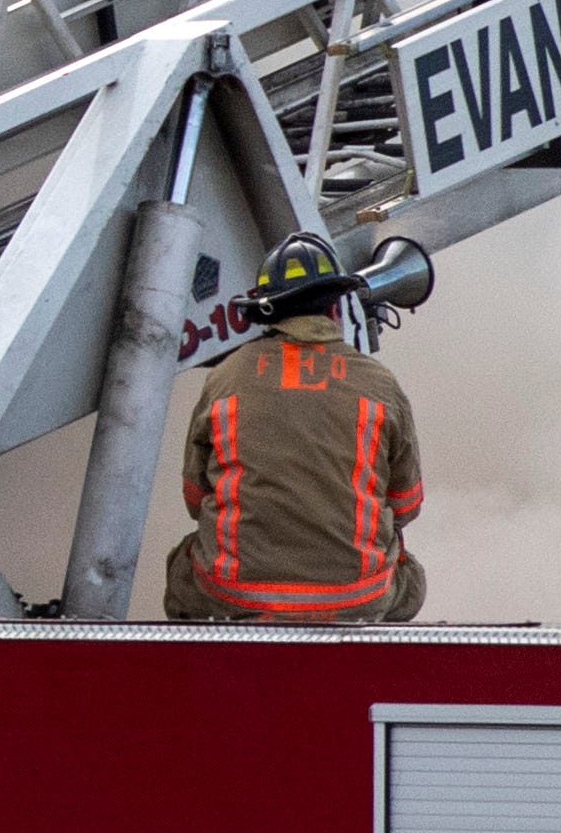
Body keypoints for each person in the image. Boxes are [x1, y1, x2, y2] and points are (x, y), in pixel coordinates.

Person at [159, 233, 426, 624]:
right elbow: (405, 505)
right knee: (410, 578)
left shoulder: (226, 377)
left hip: (234, 593)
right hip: (356, 596)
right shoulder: (379, 383)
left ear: (268, 313)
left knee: (183, 566)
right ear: (335, 309)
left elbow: (195, 497)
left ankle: (199, 675)